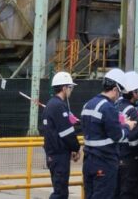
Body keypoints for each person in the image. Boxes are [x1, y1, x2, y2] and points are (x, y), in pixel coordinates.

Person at [82, 68, 136, 199]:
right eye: (120, 92)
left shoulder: (88, 104)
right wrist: (127, 126)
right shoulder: (108, 107)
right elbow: (118, 136)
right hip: (104, 161)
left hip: (89, 160)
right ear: (115, 89)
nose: (119, 96)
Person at [40, 71, 81, 199]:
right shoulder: (58, 106)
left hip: (53, 154)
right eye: (70, 87)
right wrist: (76, 147)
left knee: (60, 190)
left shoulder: (51, 105)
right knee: (60, 193)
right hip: (59, 155)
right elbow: (66, 132)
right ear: (64, 88)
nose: (71, 91)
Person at [117, 72, 138, 199]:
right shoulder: (132, 111)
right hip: (130, 157)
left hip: (116, 155)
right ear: (134, 93)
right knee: (129, 191)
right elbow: (133, 139)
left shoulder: (115, 105)